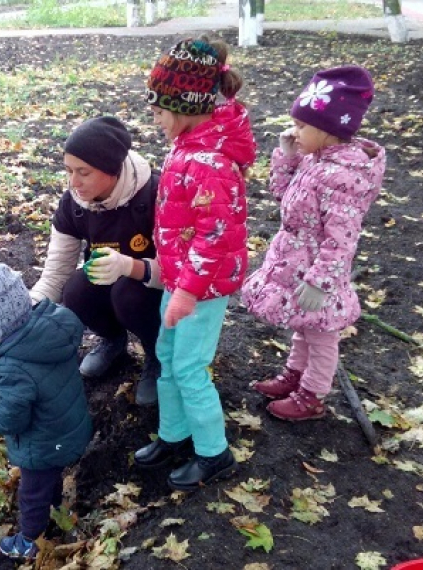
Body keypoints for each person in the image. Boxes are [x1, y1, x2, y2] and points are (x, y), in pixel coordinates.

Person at [133, 36, 256, 491]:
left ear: (184, 106)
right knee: (167, 356)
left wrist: (185, 292)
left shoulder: (211, 162)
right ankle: (174, 434)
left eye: (159, 112)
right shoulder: (190, 144)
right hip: (183, 281)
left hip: (201, 289)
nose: (156, 121)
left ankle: (213, 452)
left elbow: (217, 236)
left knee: (188, 367)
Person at [240, 65, 386, 421]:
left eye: (303, 126)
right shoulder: (316, 160)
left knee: (322, 336)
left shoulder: (343, 177)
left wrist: (322, 282)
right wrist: (288, 156)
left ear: (330, 129)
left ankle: (313, 394)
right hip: (297, 260)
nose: (295, 130)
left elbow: (342, 239)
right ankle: (294, 374)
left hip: (319, 272)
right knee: (304, 326)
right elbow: (282, 196)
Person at [29, 116, 163, 406]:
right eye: (68, 171)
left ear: (112, 169)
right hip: (108, 277)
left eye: (84, 172)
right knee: (75, 289)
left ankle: (157, 355)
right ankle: (113, 341)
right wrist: (28, 308)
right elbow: (57, 272)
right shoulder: (74, 205)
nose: (74, 182)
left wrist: (130, 266)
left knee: (128, 293)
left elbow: (179, 270)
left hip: (153, 287)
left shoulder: (155, 195)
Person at [0, 263, 93, 561]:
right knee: (48, 479)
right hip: (67, 427)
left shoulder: (13, 366)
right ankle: (55, 510)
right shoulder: (52, 329)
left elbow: (12, 418)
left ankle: (29, 541)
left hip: (43, 442)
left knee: (32, 493)